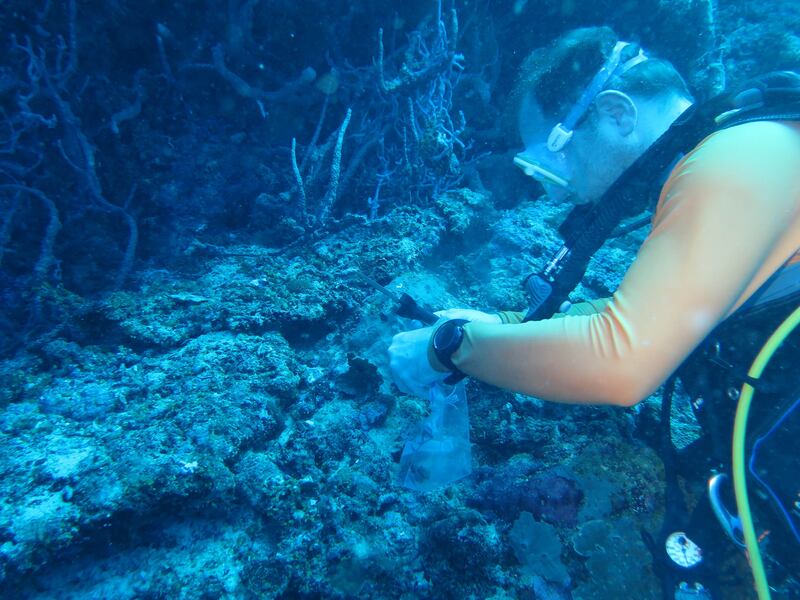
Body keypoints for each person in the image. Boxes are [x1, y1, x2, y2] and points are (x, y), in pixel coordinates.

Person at [388, 26, 800, 599]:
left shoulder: (734, 163)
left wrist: (451, 346)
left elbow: (622, 360)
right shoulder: (738, 153)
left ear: (616, 114)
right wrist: (503, 327)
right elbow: (653, 313)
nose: (558, 192)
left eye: (555, 156)